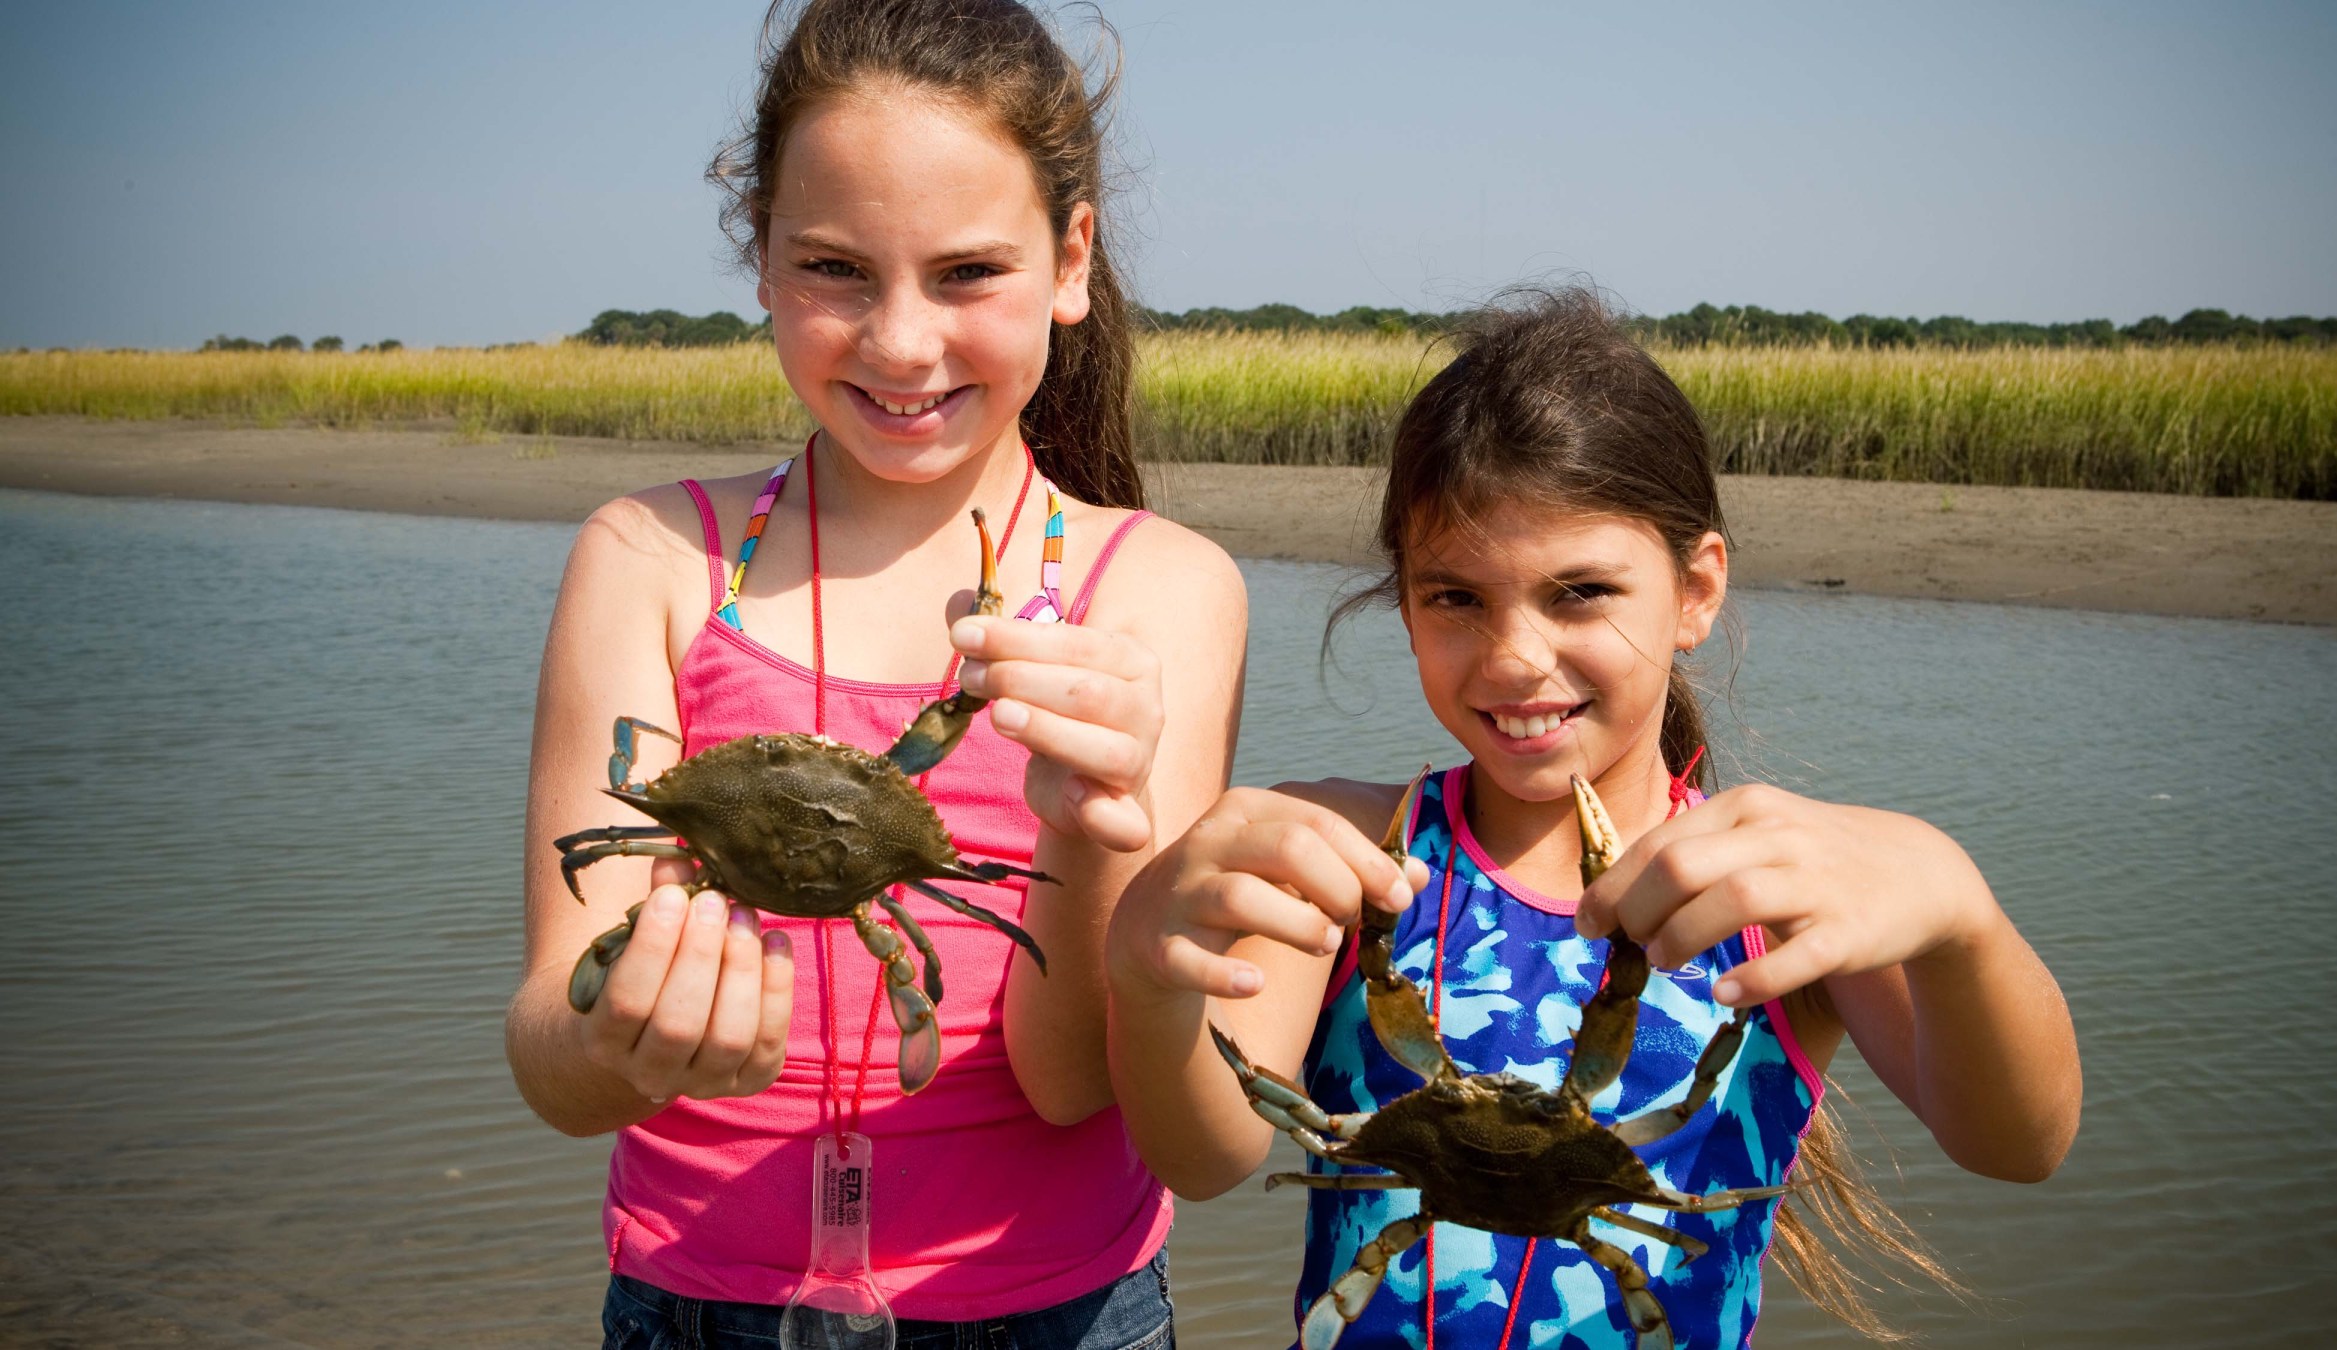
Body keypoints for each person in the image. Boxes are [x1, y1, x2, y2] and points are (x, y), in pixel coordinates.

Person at [1105, 289, 2081, 1348]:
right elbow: (1204, 1160)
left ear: (1696, 590)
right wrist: (1146, 974)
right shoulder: (1348, 859)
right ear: (1403, 600)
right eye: (1455, 598)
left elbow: (2016, 1145)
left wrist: (1960, 922)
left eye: (1579, 593)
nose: (1518, 656)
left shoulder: (1772, 895)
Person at [504, 1, 1244, 1344]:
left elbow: (1075, 1082)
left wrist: (1088, 826)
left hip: (1056, 1306)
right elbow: (554, 1060)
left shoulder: (1157, 598)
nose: (903, 343)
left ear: (1071, 261)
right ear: (764, 266)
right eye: (836, 268)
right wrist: (621, 1031)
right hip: (696, 1298)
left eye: (968, 272)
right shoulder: (652, 559)